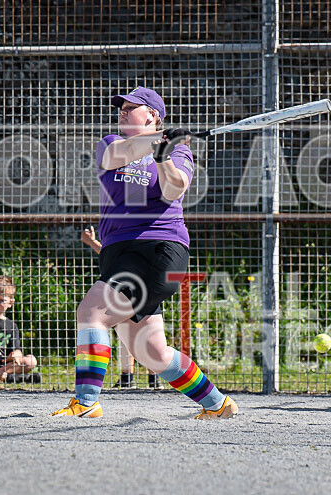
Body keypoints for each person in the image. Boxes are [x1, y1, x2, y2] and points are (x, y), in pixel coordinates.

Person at [51, 86, 237, 419]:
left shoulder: (179, 153)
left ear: (152, 115)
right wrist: (159, 140)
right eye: (120, 108)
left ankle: (85, 402)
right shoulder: (111, 143)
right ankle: (218, 404)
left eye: (131, 107)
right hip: (118, 253)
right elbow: (115, 156)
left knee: (92, 311)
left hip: (158, 248)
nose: (122, 111)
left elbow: (174, 188)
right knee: (150, 351)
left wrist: (165, 155)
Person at [81, 225, 162, 390]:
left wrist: (92, 242)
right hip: (130, 289)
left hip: (138, 289)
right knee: (128, 334)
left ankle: (148, 378)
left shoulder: (141, 236)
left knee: (148, 335)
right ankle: (130, 377)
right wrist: (93, 242)